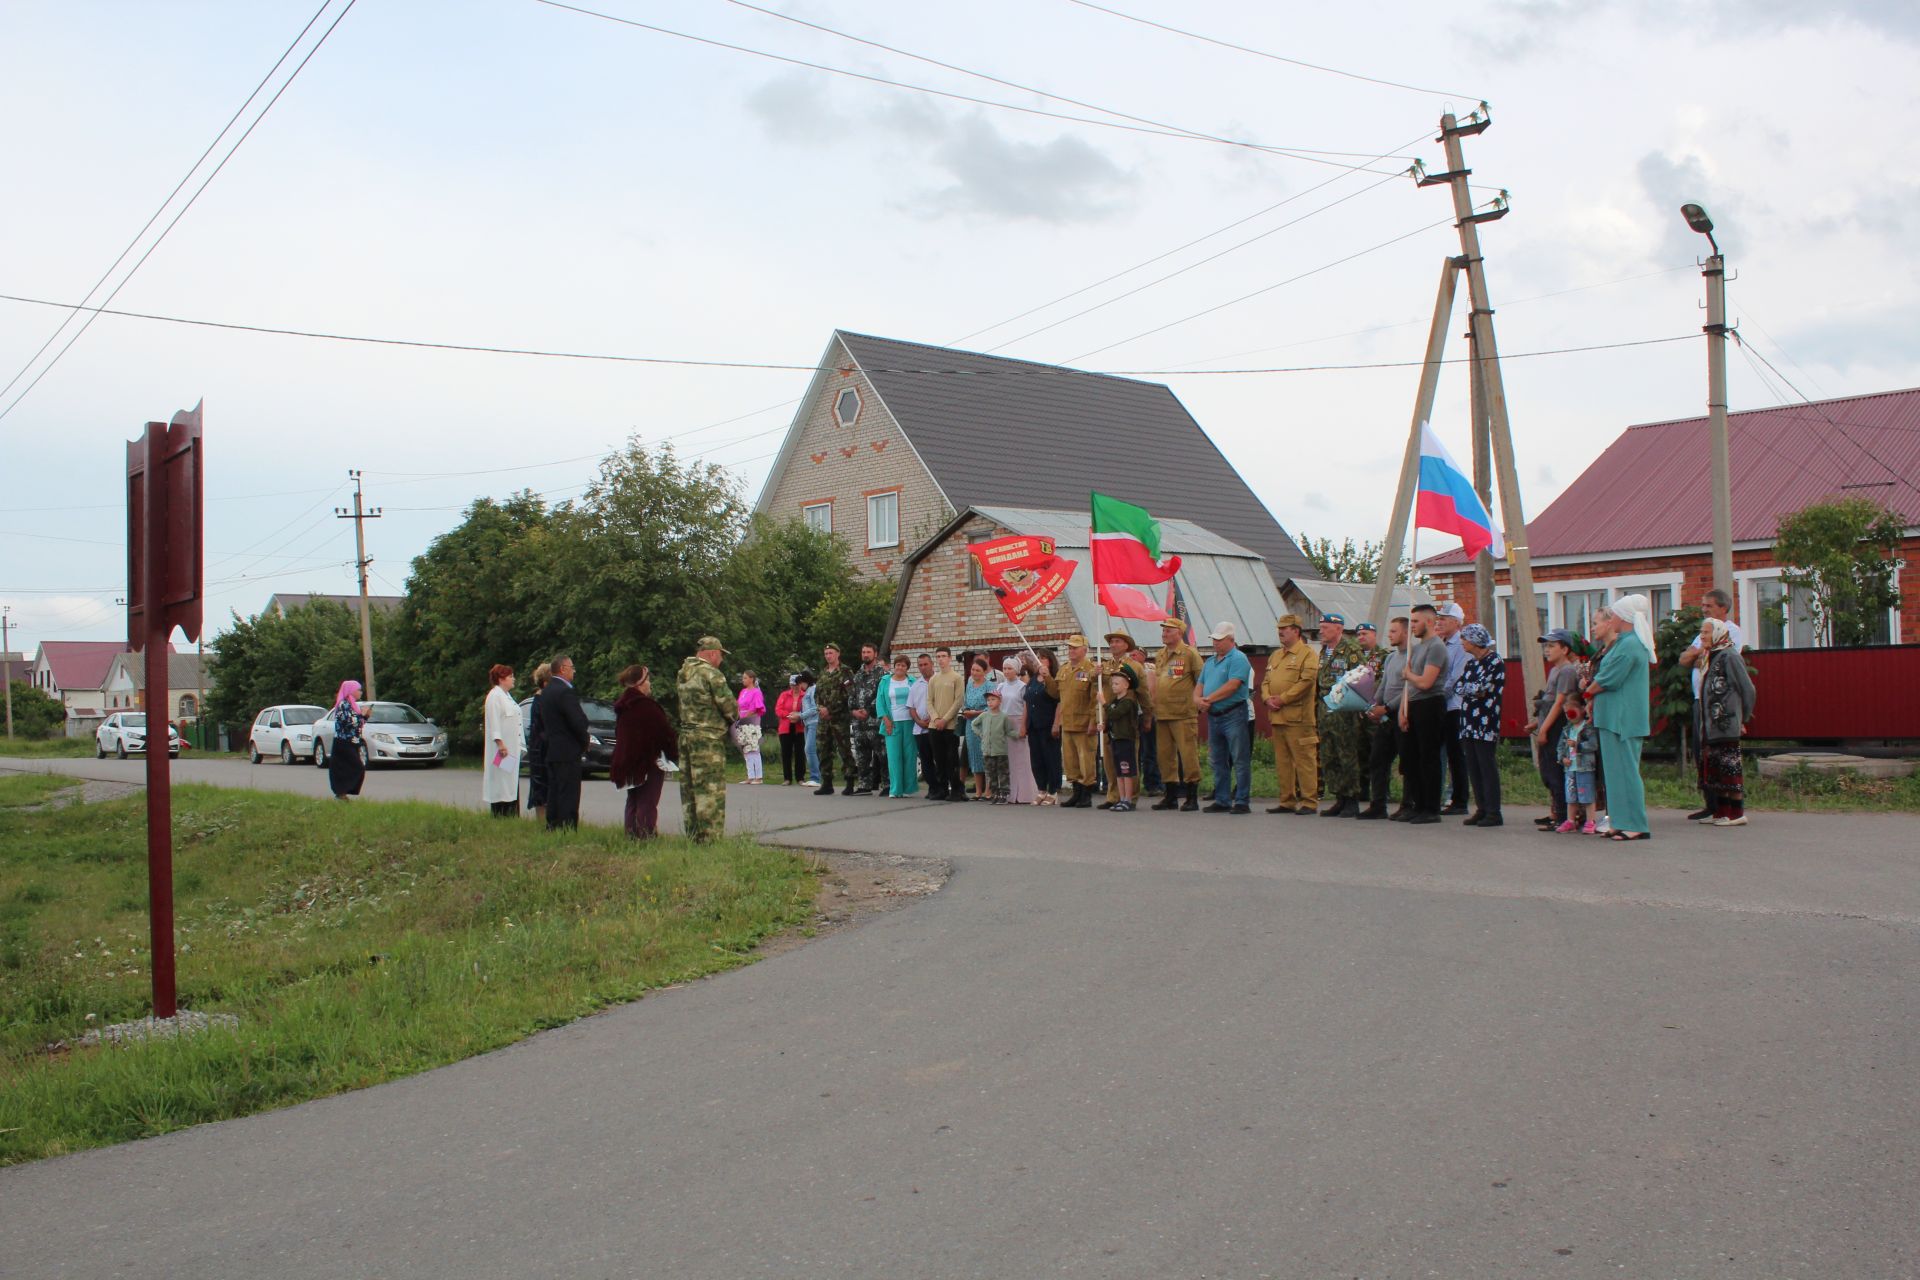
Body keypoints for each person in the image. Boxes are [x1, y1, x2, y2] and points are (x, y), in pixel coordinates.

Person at [1586, 595, 1655, 841]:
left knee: (1625, 771)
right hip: (1613, 717)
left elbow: (1608, 679)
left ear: (1624, 618)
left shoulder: (1630, 645)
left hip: (1622, 718)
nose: (1611, 618)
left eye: (1614, 615)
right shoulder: (1623, 642)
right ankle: (1620, 821)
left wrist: (1589, 690)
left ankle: (1636, 823)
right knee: (1615, 773)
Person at [1680, 589, 1746, 820]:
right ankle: (1712, 805)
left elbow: (1721, 658)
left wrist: (1699, 655)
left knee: (1724, 758)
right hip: (1701, 701)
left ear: (1723, 608)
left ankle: (1729, 808)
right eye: (1703, 605)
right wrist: (1699, 652)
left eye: (1709, 605)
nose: (1704, 609)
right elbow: (1685, 659)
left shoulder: (1732, 631)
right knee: (1703, 753)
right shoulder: (1704, 633)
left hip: (1720, 706)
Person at [1695, 616, 1757, 827]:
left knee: (1729, 769)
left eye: (1706, 632)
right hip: (1711, 726)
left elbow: (1747, 689)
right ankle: (1721, 812)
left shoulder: (1729, 656)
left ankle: (1736, 813)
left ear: (1718, 632)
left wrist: (1742, 717)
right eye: (1701, 632)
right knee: (1715, 771)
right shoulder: (1711, 656)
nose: (1702, 636)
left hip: (1726, 723)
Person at [676, 636, 736, 842]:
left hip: (686, 737)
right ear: (711, 653)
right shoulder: (712, 674)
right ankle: (711, 839)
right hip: (708, 739)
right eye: (720, 655)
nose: (721, 660)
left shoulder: (683, 673)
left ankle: (693, 836)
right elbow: (730, 707)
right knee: (710, 791)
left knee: (690, 789)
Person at [1261, 613, 1321, 815]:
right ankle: (1287, 800)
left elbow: (1306, 682)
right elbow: (1266, 681)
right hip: (1277, 717)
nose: (1280, 632)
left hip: (1299, 718)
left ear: (1296, 631)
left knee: (1304, 761)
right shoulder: (1276, 655)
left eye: (1284, 629)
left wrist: (1283, 699)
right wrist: (1267, 698)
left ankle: (1309, 801)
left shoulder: (1308, 654)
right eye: (1279, 629)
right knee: (1283, 762)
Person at [610, 664, 677, 838]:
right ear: (640, 683)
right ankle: (645, 838)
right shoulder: (646, 707)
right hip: (647, 762)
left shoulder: (623, 707)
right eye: (648, 680)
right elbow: (665, 734)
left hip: (627, 761)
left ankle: (631, 835)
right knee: (648, 801)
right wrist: (673, 754)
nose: (650, 684)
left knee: (633, 800)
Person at [1526, 630, 1583, 831]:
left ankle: (1563, 815)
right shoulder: (1555, 670)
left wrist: (1544, 730)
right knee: (1547, 771)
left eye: (1551, 646)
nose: (1547, 650)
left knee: (1555, 771)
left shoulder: (1567, 671)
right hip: (1547, 721)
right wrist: (1536, 724)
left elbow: (1559, 703)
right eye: (1546, 646)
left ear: (1565, 649)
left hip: (1557, 725)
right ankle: (1556, 812)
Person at [1400, 604, 1451, 824]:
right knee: (1412, 758)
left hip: (1430, 703)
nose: (1412, 627)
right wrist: (1404, 710)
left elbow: (1426, 682)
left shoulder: (1436, 647)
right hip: (1413, 704)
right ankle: (1418, 804)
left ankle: (1431, 808)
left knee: (1428, 757)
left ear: (1429, 622)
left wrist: (1409, 675)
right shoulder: (1417, 648)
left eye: (1416, 622)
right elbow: (1410, 686)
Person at [1313, 613, 1367, 816]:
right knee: (1329, 755)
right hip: (1325, 710)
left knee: (1347, 754)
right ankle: (1339, 797)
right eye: (1321, 627)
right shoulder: (1324, 651)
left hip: (1344, 711)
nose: (1321, 631)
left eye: (1325, 627)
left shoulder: (1351, 650)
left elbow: (1361, 679)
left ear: (1338, 629)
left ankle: (1352, 798)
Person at [1454, 623, 1506, 827]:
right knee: (1473, 767)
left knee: (1486, 766)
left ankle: (1494, 811)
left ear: (1475, 640)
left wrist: (1472, 688)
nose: (1462, 643)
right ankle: (1481, 808)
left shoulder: (1495, 661)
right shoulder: (1471, 664)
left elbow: (1484, 687)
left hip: (1486, 721)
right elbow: (1459, 686)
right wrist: (1473, 689)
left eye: (1465, 639)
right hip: (1468, 721)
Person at [1199, 621, 1253, 814]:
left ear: (1231, 640)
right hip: (1214, 715)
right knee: (1218, 758)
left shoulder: (1238, 658)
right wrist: (1197, 700)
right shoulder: (1210, 662)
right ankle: (1222, 799)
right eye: (1214, 639)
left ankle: (1241, 800)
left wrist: (1208, 699)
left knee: (1239, 757)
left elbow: (1233, 685)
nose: (1216, 643)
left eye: (1220, 640)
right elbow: (1200, 684)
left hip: (1233, 713)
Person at [1151, 616, 1204, 812]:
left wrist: (1199, 702)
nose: (1164, 633)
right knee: (1165, 756)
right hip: (1163, 712)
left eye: (1168, 630)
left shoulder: (1190, 654)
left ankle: (1191, 795)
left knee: (1188, 754)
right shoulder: (1160, 654)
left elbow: (1202, 680)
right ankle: (1170, 795)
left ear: (1179, 633)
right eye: (1163, 630)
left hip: (1183, 712)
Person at [1360, 618, 1410, 820]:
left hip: (1402, 713)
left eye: (1394, 631)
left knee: (1407, 763)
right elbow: (1383, 685)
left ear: (1406, 633)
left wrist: (1388, 707)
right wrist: (1375, 705)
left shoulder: (1412, 657)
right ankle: (1378, 804)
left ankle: (1408, 804)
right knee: (1377, 759)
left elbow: (1409, 689)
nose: (1389, 634)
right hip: (1385, 715)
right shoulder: (1390, 658)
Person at [1099, 631, 1150, 809]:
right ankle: (1114, 795)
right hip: (1108, 717)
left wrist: (1148, 716)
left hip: (1126, 719)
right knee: (1111, 761)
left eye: (1117, 641)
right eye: (1111, 642)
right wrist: (1093, 674)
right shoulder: (1104, 666)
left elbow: (1143, 692)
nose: (1113, 644)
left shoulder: (1134, 666)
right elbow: (1095, 689)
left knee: (1129, 760)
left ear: (1126, 645)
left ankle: (1130, 797)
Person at [540, 655, 591, 830]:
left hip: (553, 749)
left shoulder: (546, 691)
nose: (574, 671)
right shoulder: (564, 692)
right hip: (568, 750)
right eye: (572, 667)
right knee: (569, 792)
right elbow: (577, 721)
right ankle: (567, 827)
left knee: (554, 791)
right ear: (562, 668)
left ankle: (552, 824)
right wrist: (585, 740)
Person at [1050, 634, 1101, 808]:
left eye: (1075, 647)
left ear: (1084, 650)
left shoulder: (1091, 669)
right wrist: (1047, 678)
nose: (1071, 650)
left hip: (1084, 723)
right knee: (1070, 760)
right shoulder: (1063, 670)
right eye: (1070, 647)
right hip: (1068, 722)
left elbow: (1094, 699)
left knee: (1086, 760)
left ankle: (1086, 793)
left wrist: (1094, 721)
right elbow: (1056, 694)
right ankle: (1076, 792)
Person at [1435, 601, 1471, 815]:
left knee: (1456, 754)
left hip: (1454, 706)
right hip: (1441, 705)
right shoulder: (1442, 643)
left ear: (1456, 623)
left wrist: (1437, 695)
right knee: (1442, 753)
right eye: (1439, 618)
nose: (1440, 622)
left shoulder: (1460, 646)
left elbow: (1456, 678)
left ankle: (1459, 799)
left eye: (1444, 619)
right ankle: (1442, 795)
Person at [925, 647, 967, 802]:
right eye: (938, 656)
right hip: (934, 726)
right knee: (939, 758)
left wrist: (945, 719)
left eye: (943, 656)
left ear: (949, 658)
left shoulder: (956, 678)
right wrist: (936, 718)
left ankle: (957, 789)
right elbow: (929, 701)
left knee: (951, 759)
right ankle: (942, 789)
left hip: (950, 726)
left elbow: (958, 701)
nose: (941, 659)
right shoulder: (934, 679)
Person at [813, 644, 856, 796]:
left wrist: (830, 710)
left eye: (831, 653)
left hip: (839, 718)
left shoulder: (845, 671)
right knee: (822, 749)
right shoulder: (823, 672)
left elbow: (849, 694)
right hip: (824, 719)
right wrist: (821, 708)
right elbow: (816, 694)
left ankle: (850, 781)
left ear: (838, 654)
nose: (828, 656)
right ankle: (827, 782)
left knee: (844, 749)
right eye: (826, 653)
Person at [1352, 622, 1385, 814]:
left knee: (1377, 753)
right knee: (1360, 750)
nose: (1361, 637)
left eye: (1364, 634)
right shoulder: (1355, 657)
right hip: (1357, 709)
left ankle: (1380, 791)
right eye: (1358, 634)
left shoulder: (1383, 656)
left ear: (1374, 635)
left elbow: (1382, 681)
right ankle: (1362, 789)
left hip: (1374, 708)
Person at [877, 655, 920, 798]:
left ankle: (908, 789)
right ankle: (895, 789)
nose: (900, 668)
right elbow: (880, 702)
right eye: (898, 665)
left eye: (903, 666)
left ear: (907, 668)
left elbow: (918, 701)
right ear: (893, 666)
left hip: (910, 722)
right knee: (894, 757)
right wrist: (886, 719)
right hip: (892, 723)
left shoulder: (913, 681)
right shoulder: (885, 681)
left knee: (909, 756)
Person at [482, 664, 522, 817]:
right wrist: (500, 743)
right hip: (502, 750)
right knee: (502, 781)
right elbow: (494, 722)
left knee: (510, 781)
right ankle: (501, 813)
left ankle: (511, 812)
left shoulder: (507, 697)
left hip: (512, 747)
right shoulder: (494, 696)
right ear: (501, 679)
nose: (513, 679)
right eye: (510, 676)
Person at [999, 656, 1038, 805]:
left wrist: (1023, 725)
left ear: (1016, 670)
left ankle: (1025, 793)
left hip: (1019, 722)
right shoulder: (1000, 687)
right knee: (1008, 760)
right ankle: (1009, 793)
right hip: (1005, 723)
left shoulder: (1022, 687)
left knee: (1022, 760)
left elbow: (1026, 707)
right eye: (1005, 668)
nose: (1007, 671)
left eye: (1010, 668)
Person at [1556, 701, 1599, 834]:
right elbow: (1560, 747)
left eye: (1572, 712)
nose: (1569, 715)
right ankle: (1570, 821)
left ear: (1581, 710)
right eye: (1566, 713)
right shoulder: (1566, 730)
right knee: (1571, 796)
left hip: (1584, 767)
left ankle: (1591, 821)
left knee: (1586, 794)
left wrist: (1577, 745)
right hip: (1570, 769)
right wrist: (1562, 758)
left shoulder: (1588, 728)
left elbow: (1593, 745)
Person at [1025, 649, 1062, 804]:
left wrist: (1056, 723)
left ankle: (1053, 791)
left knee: (1051, 758)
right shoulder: (1033, 679)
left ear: (1050, 661)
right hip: (1034, 725)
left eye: (1042, 658)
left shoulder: (1054, 678)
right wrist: (1024, 725)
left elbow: (1059, 700)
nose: (1038, 661)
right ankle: (1041, 789)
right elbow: (1027, 701)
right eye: (1037, 658)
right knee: (1036, 759)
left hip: (1048, 724)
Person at [850, 643, 887, 795]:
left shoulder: (882, 674)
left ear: (875, 654)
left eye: (868, 652)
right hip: (859, 722)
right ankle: (864, 784)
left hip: (875, 720)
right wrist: (853, 711)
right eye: (863, 652)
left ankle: (888, 784)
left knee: (882, 754)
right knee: (861, 754)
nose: (865, 655)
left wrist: (868, 710)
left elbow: (882, 695)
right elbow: (851, 694)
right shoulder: (857, 674)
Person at [1104, 669, 1142, 812]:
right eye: (1112, 683)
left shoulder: (1128, 702)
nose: (1113, 686)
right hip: (1115, 739)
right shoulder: (1115, 701)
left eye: (1117, 683)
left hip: (1126, 739)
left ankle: (1128, 799)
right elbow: (1111, 719)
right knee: (1118, 771)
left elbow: (1115, 714)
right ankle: (1121, 798)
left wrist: (1104, 704)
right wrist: (1105, 726)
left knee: (1127, 771)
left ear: (1126, 685)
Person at [327, 679, 369, 800]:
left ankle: (342, 793)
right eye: (358, 689)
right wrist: (362, 715)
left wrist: (365, 716)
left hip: (353, 741)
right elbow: (348, 722)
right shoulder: (343, 704)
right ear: (351, 691)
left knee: (349, 767)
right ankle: (341, 792)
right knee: (355, 767)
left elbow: (358, 723)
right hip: (343, 742)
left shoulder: (352, 705)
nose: (361, 692)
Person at [1129, 648, 1163, 797]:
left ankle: (1153, 785)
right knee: (1132, 753)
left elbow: (1152, 695)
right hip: (1130, 717)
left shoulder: (1149, 672)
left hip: (1144, 715)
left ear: (1143, 657)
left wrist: (1148, 716)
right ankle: (1132, 786)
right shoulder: (1126, 672)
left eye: (1135, 654)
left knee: (1148, 752)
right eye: (1130, 654)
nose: (1132, 656)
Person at [523, 663, 552, 821]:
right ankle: (541, 820)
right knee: (541, 785)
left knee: (546, 785)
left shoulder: (543, 699)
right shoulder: (540, 700)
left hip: (542, 746)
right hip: (540, 749)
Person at [962, 656, 993, 798]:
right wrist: (966, 711)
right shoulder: (969, 685)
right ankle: (978, 790)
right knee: (974, 755)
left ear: (984, 672)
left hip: (984, 723)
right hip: (971, 724)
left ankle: (989, 789)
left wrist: (977, 712)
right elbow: (966, 702)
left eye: (978, 670)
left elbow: (992, 706)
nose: (974, 673)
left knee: (985, 755)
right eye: (973, 670)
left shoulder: (989, 686)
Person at [978, 688, 1011, 803]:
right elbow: (974, 724)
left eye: (993, 699)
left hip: (1000, 750)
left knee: (1003, 772)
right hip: (987, 751)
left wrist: (1019, 735)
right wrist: (981, 734)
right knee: (991, 773)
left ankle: (1004, 794)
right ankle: (995, 793)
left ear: (1000, 701)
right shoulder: (984, 715)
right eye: (988, 700)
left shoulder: (1004, 716)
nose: (990, 702)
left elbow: (1009, 730)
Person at [735, 670, 766, 785]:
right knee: (746, 748)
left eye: (745, 678)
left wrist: (745, 717)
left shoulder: (756, 692)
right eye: (743, 678)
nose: (743, 680)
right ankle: (750, 776)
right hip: (742, 720)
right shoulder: (743, 691)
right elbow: (739, 705)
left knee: (754, 747)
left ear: (751, 679)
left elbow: (755, 708)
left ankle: (758, 776)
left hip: (751, 720)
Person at [774, 676, 804, 785]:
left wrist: (799, 716)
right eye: (792, 685)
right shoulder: (784, 695)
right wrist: (788, 715)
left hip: (799, 727)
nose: (794, 687)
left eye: (796, 685)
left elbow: (808, 709)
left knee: (800, 753)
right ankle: (787, 778)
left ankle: (800, 778)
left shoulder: (804, 695)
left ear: (800, 684)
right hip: (786, 727)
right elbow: (778, 709)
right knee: (786, 753)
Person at [799, 674, 821, 786]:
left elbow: (815, 707)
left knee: (810, 749)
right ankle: (814, 776)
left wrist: (800, 715)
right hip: (807, 723)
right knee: (808, 749)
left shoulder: (813, 690)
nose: (800, 686)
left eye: (801, 683)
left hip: (813, 722)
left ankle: (815, 777)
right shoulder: (807, 691)